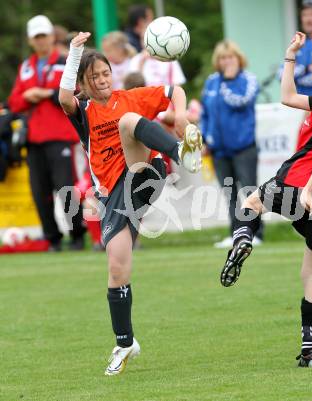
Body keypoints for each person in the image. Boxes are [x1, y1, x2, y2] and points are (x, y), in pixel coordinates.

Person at [58, 31, 203, 375]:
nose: (102, 80)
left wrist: (180, 116)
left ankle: (179, 153)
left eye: (105, 73)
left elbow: (175, 92)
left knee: (127, 121)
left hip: (147, 171)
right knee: (117, 267)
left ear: (113, 73)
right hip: (116, 193)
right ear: (85, 84)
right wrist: (74, 53)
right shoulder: (84, 112)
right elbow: (64, 98)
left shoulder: (130, 97)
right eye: (94, 77)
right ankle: (125, 343)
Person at [220, 33, 312, 368]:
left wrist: (307, 190)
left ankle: (242, 239)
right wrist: (290, 57)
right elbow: (287, 96)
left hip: (302, 185)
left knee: (251, 203)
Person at [8, 15, 85, 251]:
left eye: (44, 35)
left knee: (66, 188)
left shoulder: (64, 62)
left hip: (61, 135)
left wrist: (45, 93)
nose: (41, 41)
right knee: (40, 192)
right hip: (34, 138)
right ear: (31, 40)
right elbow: (14, 102)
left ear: (52, 36)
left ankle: (77, 236)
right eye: (36, 37)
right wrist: (28, 96)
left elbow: (77, 93)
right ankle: (52, 239)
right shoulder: (26, 67)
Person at [201, 40, 263, 248]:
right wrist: (204, 138)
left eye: (230, 57)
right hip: (218, 149)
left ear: (238, 59)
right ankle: (236, 233)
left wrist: (227, 83)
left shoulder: (248, 79)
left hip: (244, 146)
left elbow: (241, 101)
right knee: (230, 194)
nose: (227, 61)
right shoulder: (211, 82)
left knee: (249, 191)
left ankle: (256, 233)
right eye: (223, 58)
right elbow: (205, 113)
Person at [278, 0, 312, 95]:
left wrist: (296, 73)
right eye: (304, 15)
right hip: (297, 102)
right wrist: (305, 69)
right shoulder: (299, 44)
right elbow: (281, 75)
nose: (308, 19)